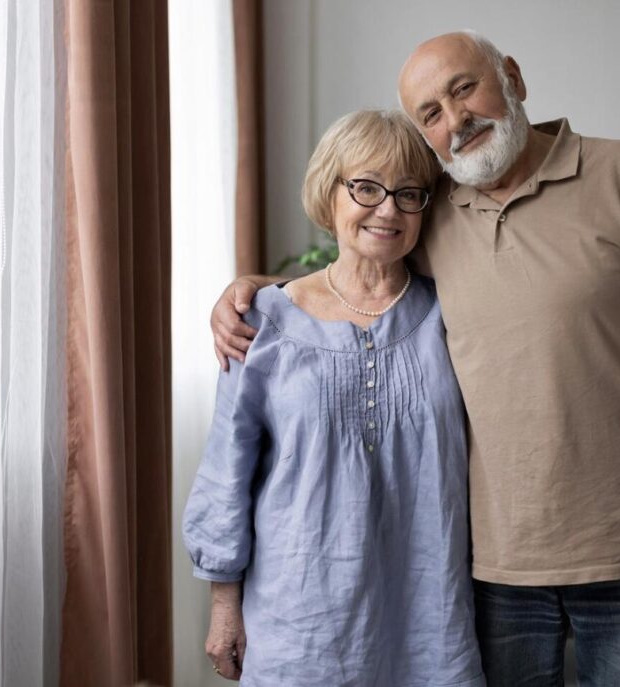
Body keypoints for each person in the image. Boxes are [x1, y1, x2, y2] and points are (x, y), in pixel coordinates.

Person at [211, 31, 620, 686]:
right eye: (430, 113)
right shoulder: (432, 211)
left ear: (511, 76)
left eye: (465, 89)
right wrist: (257, 291)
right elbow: (360, 269)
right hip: (492, 572)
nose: (456, 119)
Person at [183, 109, 485, 686]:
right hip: (299, 624)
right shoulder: (262, 321)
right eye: (366, 187)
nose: (388, 210)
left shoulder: (453, 314)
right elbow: (226, 471)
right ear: (330, 192)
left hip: (430, 618)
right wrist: (224, 606)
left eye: (408, 194)